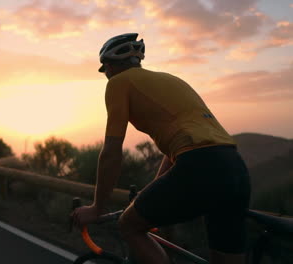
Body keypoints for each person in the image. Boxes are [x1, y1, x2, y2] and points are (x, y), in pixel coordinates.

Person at [71, 33, 251, 264]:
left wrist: (97, 208)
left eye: (104, 70)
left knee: (128, 226)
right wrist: (155, 190)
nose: (106, 75)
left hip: (199, 167)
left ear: (109, 66)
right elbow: (178, 149)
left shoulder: (118, 82)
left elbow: (112, 152)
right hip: (235, 167)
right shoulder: (171, 80)